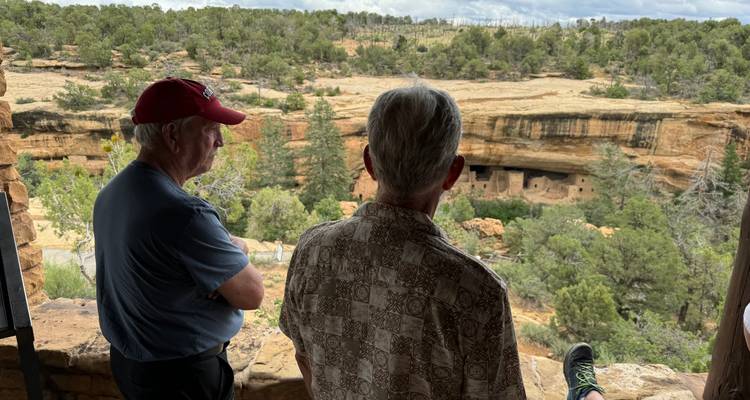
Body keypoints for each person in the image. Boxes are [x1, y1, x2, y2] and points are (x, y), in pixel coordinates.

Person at [280, 86, 526, 399]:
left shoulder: (312, 250)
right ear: (452, 173)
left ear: (370, 163)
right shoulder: (475, 290)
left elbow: (304, 358)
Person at [93, 77, 264, 400]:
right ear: (172, 134)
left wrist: (221, 260)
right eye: (210, 129)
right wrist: (232, 256)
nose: (220, 142)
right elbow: (251, 293)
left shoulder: (114, 193)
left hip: (134, 366)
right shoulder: (184, 214)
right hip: (183, 378)